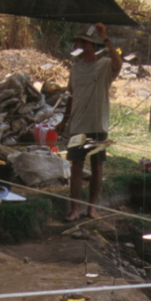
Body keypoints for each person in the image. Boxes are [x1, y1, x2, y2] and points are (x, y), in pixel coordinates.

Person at [61, 22, 123, 222]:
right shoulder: (76, 69)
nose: (78, 46)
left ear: (91, 45)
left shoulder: (104, 66)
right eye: (78, 42)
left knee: (97, 166)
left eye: (82, 42)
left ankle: (92, 208)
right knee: (76, 167)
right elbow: (71, 95)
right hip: (78, 126)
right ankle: (75, 209)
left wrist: (105, 37)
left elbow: (118, 63)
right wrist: (64, 120)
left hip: (97, 126)